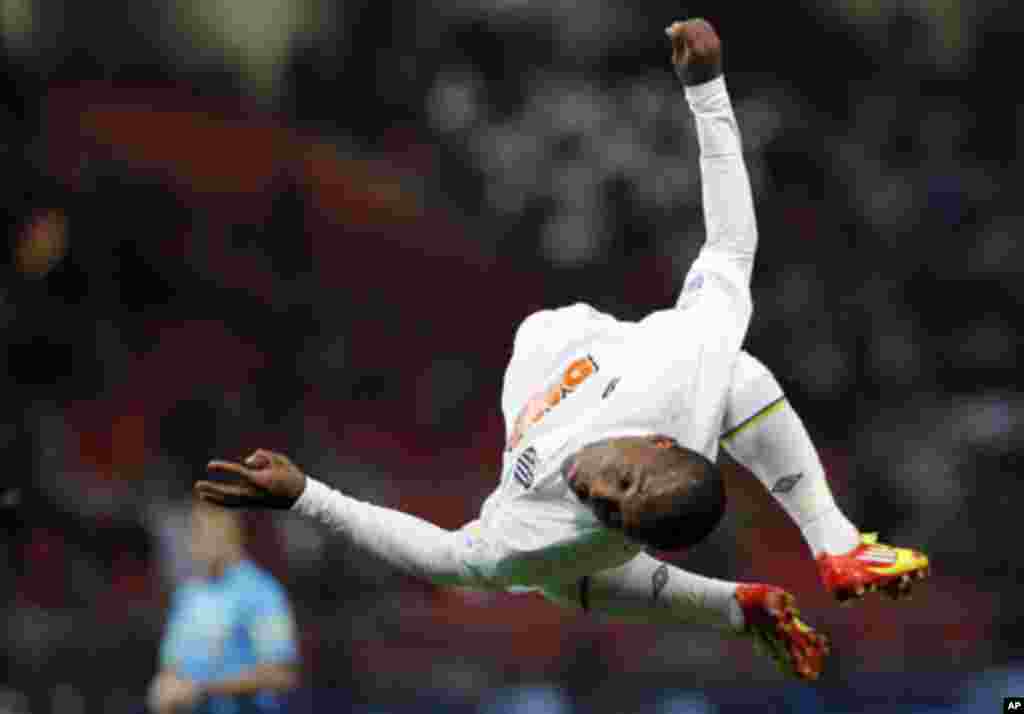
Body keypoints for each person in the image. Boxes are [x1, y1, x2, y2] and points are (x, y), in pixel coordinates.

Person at [195, 18, 929, 682]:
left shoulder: (546, 528)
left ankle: (753, 595)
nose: (598, 492)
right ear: (653, 441)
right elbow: (731, 244)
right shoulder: (680, 371)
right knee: (733, 368)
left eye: (612, 510)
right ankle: (829, 540)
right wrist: (708, 92)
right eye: (625, 484)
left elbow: (444, 559)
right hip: (598, 337)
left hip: (544, 381)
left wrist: (307, 497)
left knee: (555, 574)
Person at [147, 501, 300, 713]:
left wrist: (204, 689)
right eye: (193, 532)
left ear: (231, 532)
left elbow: (282, 674)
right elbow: (171, 667)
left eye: (203, 531)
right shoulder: (189, 594)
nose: (195, 542)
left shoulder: (262, 593)